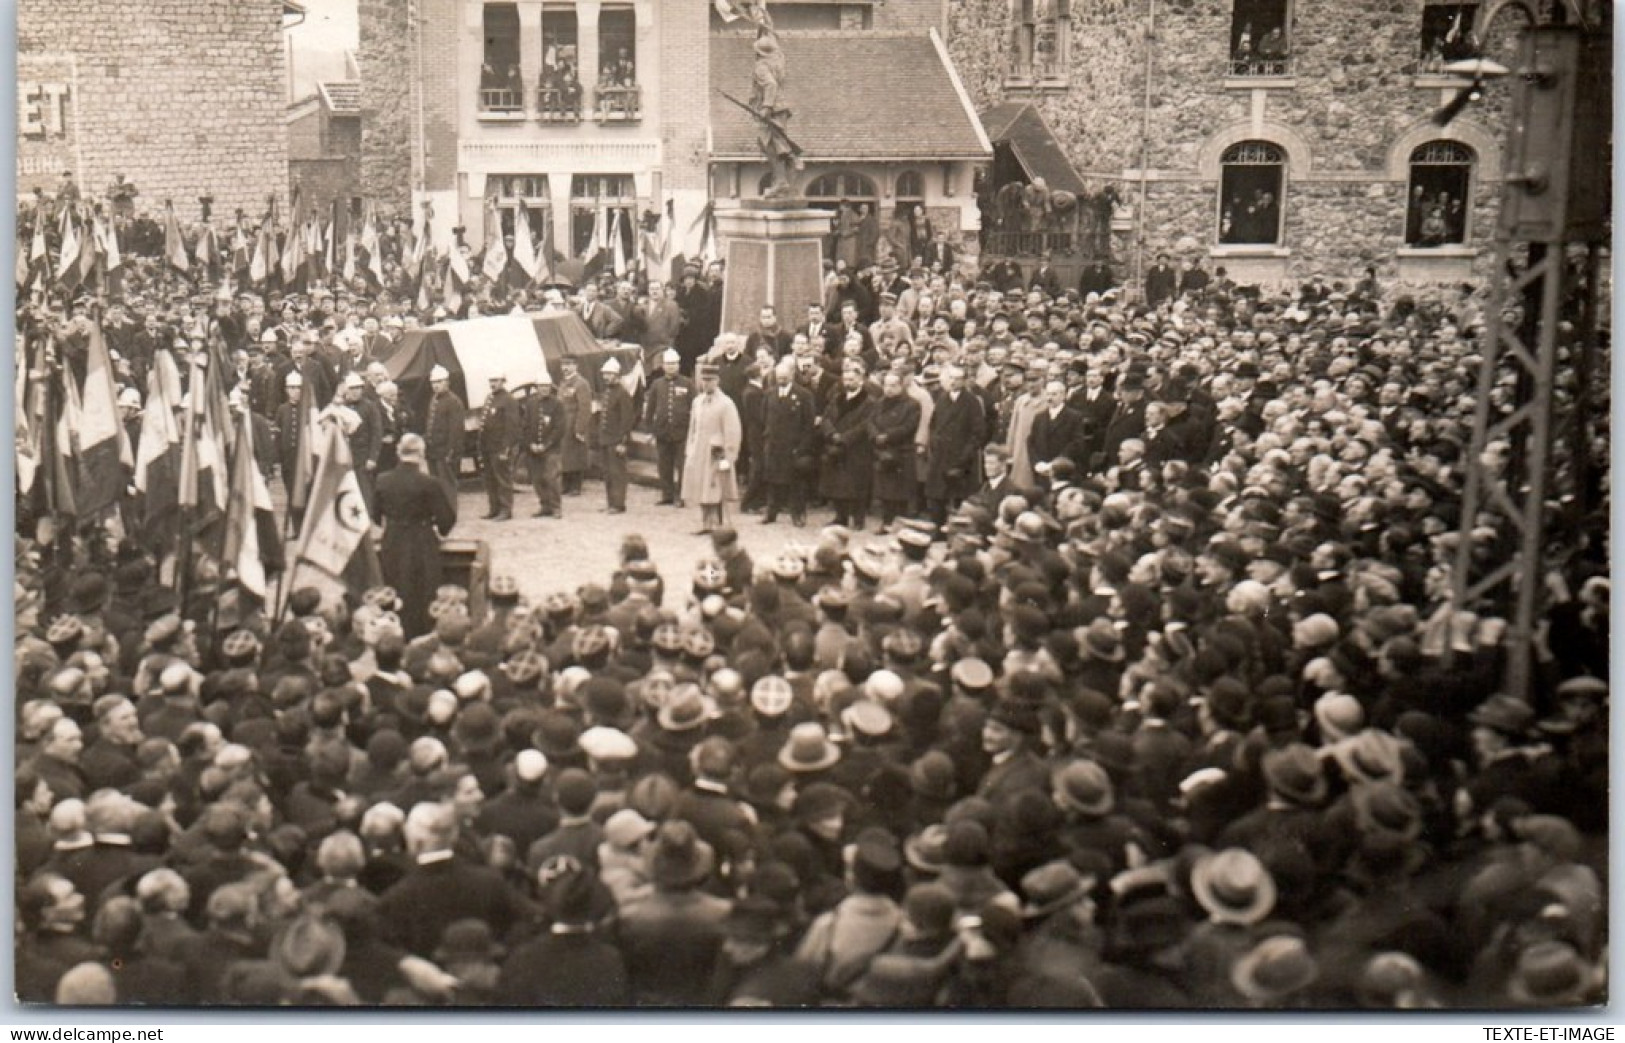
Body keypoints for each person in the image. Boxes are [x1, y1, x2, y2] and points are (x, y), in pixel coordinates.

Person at [373, 434, 456, 638]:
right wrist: (438, 529)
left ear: (398, 452)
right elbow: (447, 518)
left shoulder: (382, 480)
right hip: (422, 540)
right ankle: (423, 634)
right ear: (421, 454)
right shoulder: (429, 483)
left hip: (393, 539)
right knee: (423, 590)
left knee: (395, 585)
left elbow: (374, 514)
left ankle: (394, 635)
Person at [680, 362, 743, 536]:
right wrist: (689, 450)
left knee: (714, 487)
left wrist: (729, 456)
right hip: (698, 451)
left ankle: (717, 523)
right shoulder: (697, 402)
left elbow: (733, 432)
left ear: (717, 381)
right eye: (704, 380)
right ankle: (705, 522)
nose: (707, 383)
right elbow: (692, 428)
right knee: (701, 487)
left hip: (716, 453)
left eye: (710, 380)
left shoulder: (726, 404)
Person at [645, 348, 694, 507]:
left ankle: (681, 496)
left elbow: (695, 407)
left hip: (682, 431)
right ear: (663, 366)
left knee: (682, 466)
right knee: (664, 465)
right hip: (663, 431)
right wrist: (649, 430)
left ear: (678, 365)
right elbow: (650, 408)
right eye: (668, 364)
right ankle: (667, 494)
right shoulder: (657, 384)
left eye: (674, 364)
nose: (671, 367)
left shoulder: (687, 383)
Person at [424, 365, 467, 522]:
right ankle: (439, 512)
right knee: (435, 484)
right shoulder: (434, 400)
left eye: (439, 382)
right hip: (433, 450)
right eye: (433, 382)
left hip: (445, 451)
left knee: (447, 484)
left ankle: (450, 513)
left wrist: (451, 452)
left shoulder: (453, 402)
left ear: (447, 382)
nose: (436, 385)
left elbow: (455, 430)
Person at [594, 357, 636, 514]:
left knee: (617, 473)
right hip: (606, 439)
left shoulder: (622, 394)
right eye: (605, 374)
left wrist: (623, 441)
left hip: (616, 440)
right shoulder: (608, 392)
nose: (606, 377)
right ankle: (610, 502)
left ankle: (618, 504)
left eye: (609, 374)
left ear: (617, 375)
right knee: (607, 473)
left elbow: (626, 419)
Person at [478, 373, 521, 521]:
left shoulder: (508, 400)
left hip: (500, 447)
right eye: (491, 380)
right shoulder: (490, 398)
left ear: (503, 381)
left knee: (503, 479)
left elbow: (512, 426)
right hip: (488, 447)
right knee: (490, 480)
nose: (492, 384)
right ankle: (494, 509)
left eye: (495, 380)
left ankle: (505, 510)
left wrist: (506, 447)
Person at [556, 356, 595, 495]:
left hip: (574, 423)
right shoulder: (563, 383)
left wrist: (580, 428)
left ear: (576, 366)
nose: (565, 368)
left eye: (568, 364)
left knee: (576, 454)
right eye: (563, 365)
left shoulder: (581, 384)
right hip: (563, 425)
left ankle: (576, 486)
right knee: (566, 455)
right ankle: (566, 484)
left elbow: (585, 407)